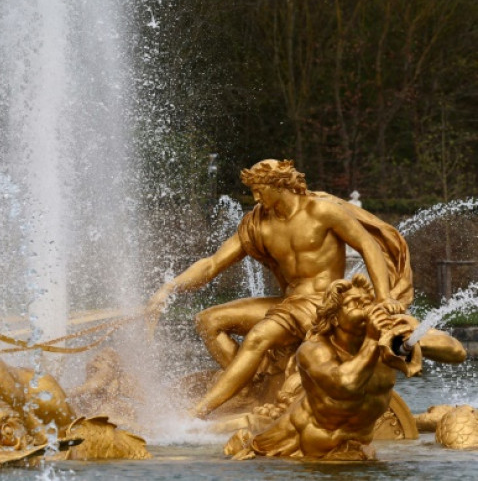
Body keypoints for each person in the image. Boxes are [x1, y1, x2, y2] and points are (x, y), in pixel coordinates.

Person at [147, 159, 412, 418]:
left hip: (324, 305)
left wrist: (383, 296)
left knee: (258, 337)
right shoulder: (258, 223)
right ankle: (250, 386)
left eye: (259, 190)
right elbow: (212, 264)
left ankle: (198, 412)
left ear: (279, 185)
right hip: (291, 303)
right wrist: (170, 288)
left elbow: (368, 246)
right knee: (207, 321)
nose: (255, 197)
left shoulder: (322, 212)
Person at [224, 274, 464, 460]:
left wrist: (409, 338)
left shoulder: (387, 334)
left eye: (367, 303)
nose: (365, 309)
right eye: (354, 304)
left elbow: (456, 351)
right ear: (335, 317)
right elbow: (344, 385)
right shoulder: (313, 350)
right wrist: (372, 341)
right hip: (298, 449)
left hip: (355, 449)